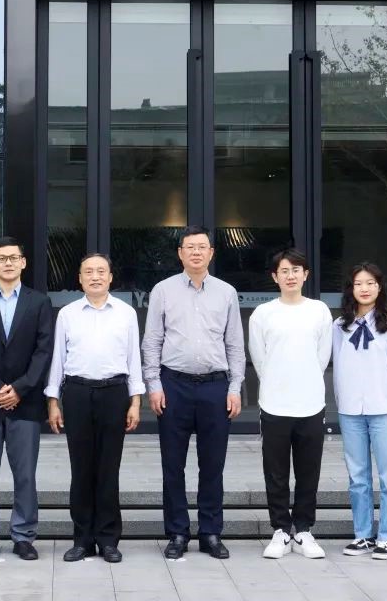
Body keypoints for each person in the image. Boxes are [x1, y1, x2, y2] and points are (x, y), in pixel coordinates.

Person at [142, 225, 245, 560]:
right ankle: (177, 532)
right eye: (190, 247)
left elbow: (235, 344)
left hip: (215, 386)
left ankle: (210, 532)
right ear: (180, 253)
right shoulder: (163, 290)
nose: (196, 252)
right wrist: (154, 385)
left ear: (211, 253)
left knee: (212, 464)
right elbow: (152, 341)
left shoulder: (226, 292)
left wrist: (235, 387)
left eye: (202, 247)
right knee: (173, 465)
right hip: (174, 386)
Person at [45, 253, 143, 564]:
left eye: (101, 271)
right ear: (80, 278)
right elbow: (58, 359)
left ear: (111, 277)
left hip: (115, 392)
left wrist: (135, 401)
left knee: (108, 469)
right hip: (77, 393)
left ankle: (109, 539)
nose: (95, 276)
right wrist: (53, 401)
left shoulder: (126, 313)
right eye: (89, 272)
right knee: (81, 468)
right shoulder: (68, 314)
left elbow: (134, 359)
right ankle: (83, 539)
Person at [0, 236, 54, 562]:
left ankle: (24, 536)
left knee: (25, 474)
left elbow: (44, 351)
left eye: (13, 257)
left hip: (25, 402)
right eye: (1, 258)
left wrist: (20, 388)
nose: (8, 263)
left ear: (23, 262)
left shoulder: (39, 302)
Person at [249, 248, 330, 560]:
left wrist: (304, 379)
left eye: (296, 270)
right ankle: (281, 530)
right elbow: (259, 358)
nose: (291, 275)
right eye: (284, 271)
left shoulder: (319, 310)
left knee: (309, 471)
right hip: (274, 403)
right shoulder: (263, 314)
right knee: (276, 471)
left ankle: (304, 530)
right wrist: (277, 382)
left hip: (310, 403)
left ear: (305, 274)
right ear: (275, 277)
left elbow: (322, 356)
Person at [332, 261, 387, 561]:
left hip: (384, 409)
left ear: (379, 287)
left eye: (370, 283)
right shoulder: (340, 325)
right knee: (358, 477)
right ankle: (362, 534)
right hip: (351, 410)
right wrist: (340, 402)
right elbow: (337, 368)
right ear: (351, 289)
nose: (364, 289)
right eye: (358, 284)